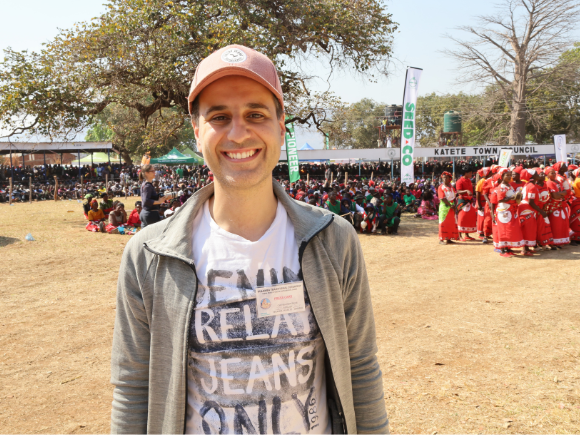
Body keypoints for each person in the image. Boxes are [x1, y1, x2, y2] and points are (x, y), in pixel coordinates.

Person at [111, 44, 387, 434]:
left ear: (280, 125)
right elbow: (133, 387)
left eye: (255, 114)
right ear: (197, 130)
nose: (238, 134)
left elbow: (360, 368)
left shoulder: (334, 241)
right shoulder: (149, 255)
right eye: (219, 117)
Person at [493, 169, 524, 257]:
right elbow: (500, 199)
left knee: (509, 229)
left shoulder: (509, 185)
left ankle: (508, 248)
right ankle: (502, 250)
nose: (509, 177)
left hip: (510, 210)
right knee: (504, 230)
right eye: (507, 175)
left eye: (510, 175)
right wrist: (512, 197)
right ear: (502, 176)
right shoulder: (501, 186)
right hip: (504, 211)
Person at [139, 163, 176, 228]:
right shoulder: (147, 186)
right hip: (150, 214)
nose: (154, 172)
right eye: (152, 171)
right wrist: (159, 201)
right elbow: (146, 201)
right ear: (146, 173)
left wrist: (161, 196)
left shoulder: (146, 184)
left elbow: (150, 198)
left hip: (147, 213)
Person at [544, 166, 569, 247]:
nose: (554, 174)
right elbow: (555, 196)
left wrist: (560, 194)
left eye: (554, 172)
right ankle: (553, 242)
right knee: (555, 224)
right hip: (553, 207)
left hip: (560, 205)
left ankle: (559, 241)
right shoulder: (549, 182)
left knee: (560, 224)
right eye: (551, 173)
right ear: (547, 175)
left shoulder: (558, 182)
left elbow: (565, 192)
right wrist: (562, 194)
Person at [455, 167, 477, 240]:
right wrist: (466, 191)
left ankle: (467, 234)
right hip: (462, 202)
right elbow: (458, 191)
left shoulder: (469, 180)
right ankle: (459, 235)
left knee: (468, 218)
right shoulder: (459, 181)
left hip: (469, 201)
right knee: (461, 218)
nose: (471, 174)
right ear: (465, 173)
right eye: (470, 173)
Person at [437, 171, 458, 244]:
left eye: (446, 178)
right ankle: (441, 239)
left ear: (449, 178)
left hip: (452, 208)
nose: (444, 179)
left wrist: (454, 204)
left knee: (450, 223)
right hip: (444, 208)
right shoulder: (441, 187)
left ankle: (448, 238)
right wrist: (450, 205)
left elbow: (455, 197)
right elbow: (442, 198)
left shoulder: (452, 187)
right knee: (443, 222)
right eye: (443, 178)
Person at [475, 167, 492, 239]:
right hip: (481, 202)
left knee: (487, 217)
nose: (491, 173)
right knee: (481, 218)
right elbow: (477, 193)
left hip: (485, 201)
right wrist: (479, 204)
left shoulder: (488, 180)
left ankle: (486, 232)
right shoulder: (481, 181)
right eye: (490, 172)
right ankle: (481, 233)